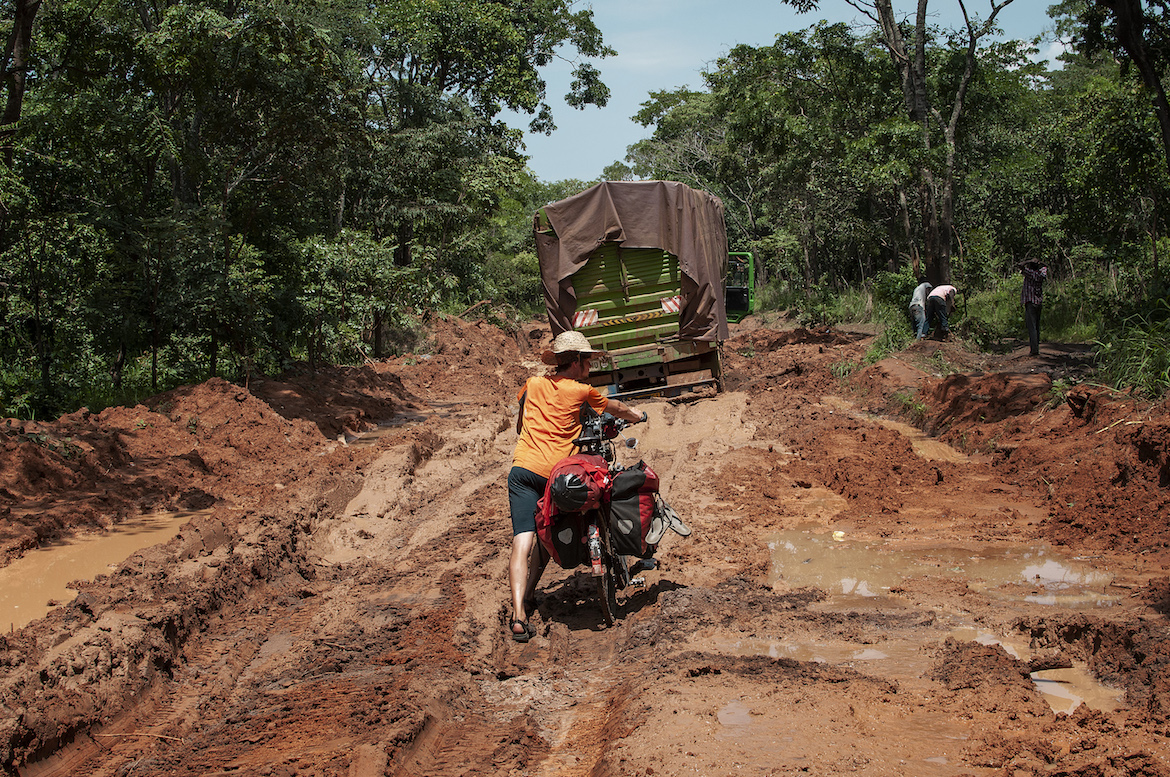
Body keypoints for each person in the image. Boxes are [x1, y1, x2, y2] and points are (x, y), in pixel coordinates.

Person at [507, 330, 645, 642]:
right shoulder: (582, 391)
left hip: (521, 470)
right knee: (548, 534)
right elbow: (616, 409)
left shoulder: (532, 384)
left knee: (522, 540)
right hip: (553, 476)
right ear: (578, 362)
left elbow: (520, 426)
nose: (590, 367)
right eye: (588, 361)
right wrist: (637, 415)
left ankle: (519, 613)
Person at [1020, 259, 1048, 356]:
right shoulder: (1041, 274)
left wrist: (1028, 261)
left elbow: (1020, 266)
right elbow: (1045, 266)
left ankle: (1034, 350)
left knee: (1031, 327)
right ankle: (1036, 348)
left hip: (1030, 303)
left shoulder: (1030, 273)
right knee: (1036, 326)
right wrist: (1040, 262)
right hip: (1038, 302)